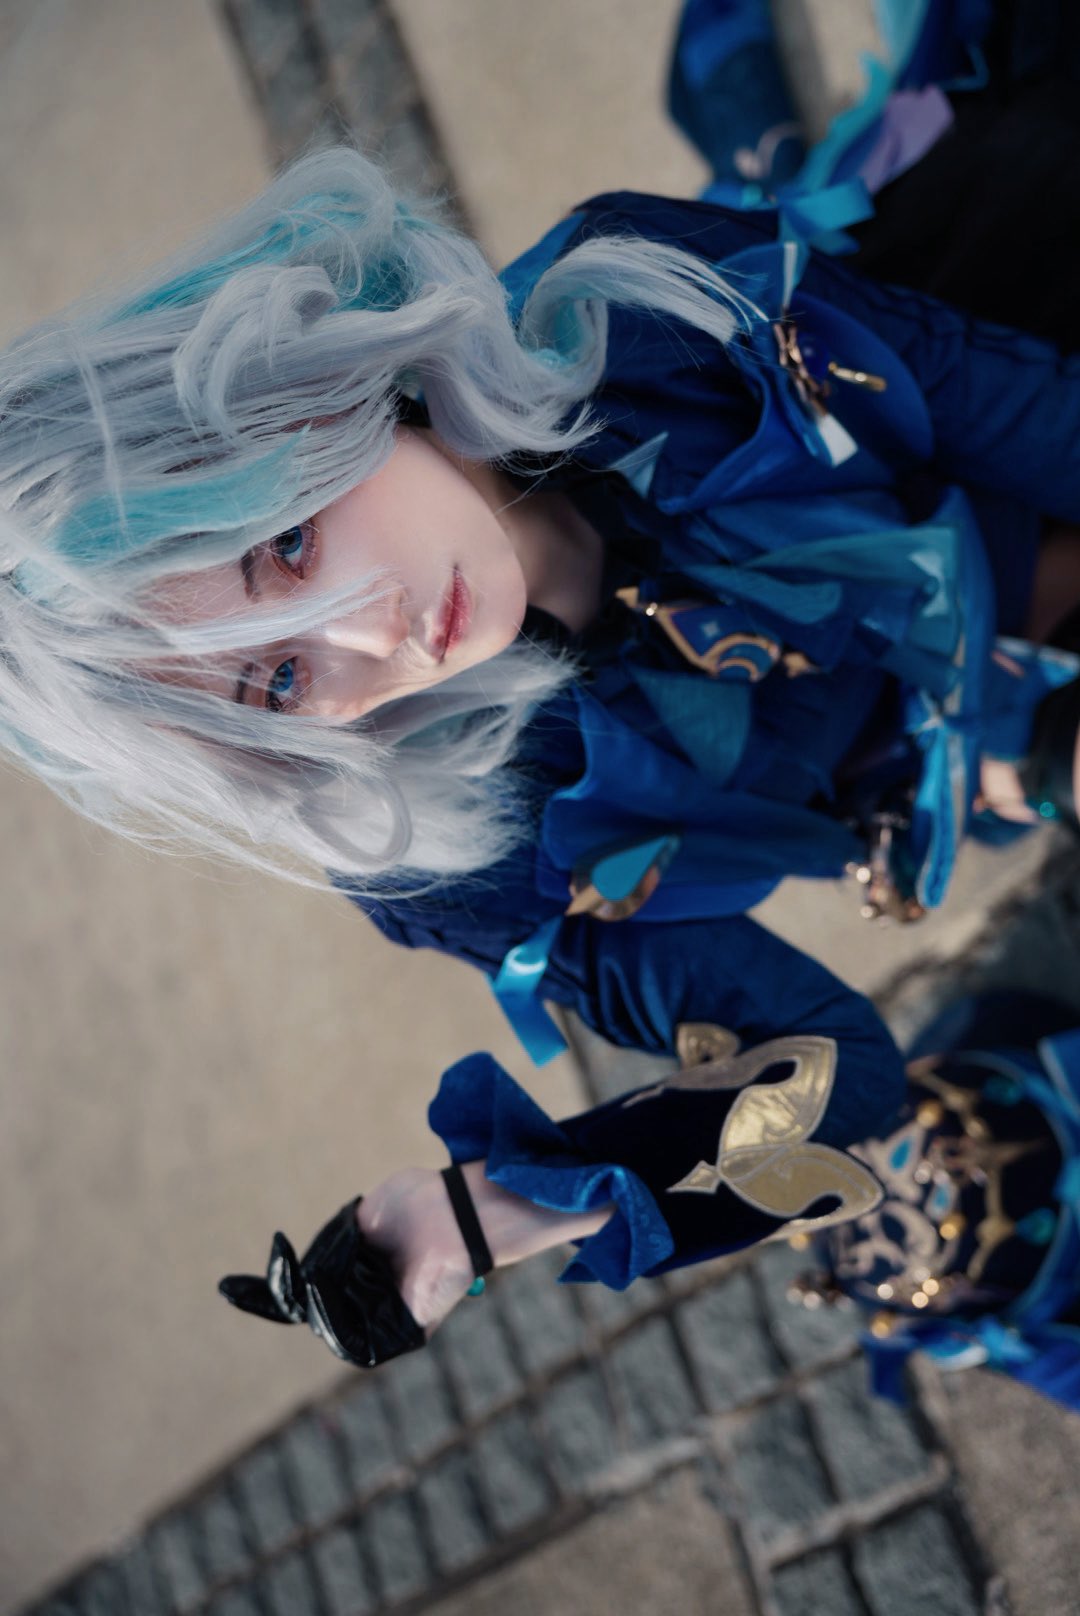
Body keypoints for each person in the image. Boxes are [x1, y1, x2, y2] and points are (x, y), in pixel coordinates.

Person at [3, 7, 1080, 1393]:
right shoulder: (459, 850)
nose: (374, 633)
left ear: (304, 401)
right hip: (947, 727)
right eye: (278, 679)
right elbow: (844, 1073)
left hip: (1008, 357)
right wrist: (494, 1212)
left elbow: (1034, 423)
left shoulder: (649, 319)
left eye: (290, 544)